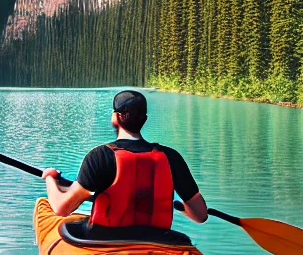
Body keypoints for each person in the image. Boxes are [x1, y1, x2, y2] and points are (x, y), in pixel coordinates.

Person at [42, 89, 209, 241]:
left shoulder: (100, 157)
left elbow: (61, 208)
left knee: (71, 225)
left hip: (105, 242)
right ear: (144, 119)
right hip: (158, 241)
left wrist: (50, 178)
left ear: (115, 117)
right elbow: (201, 215)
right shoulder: (171, 157)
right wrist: (182, 207)